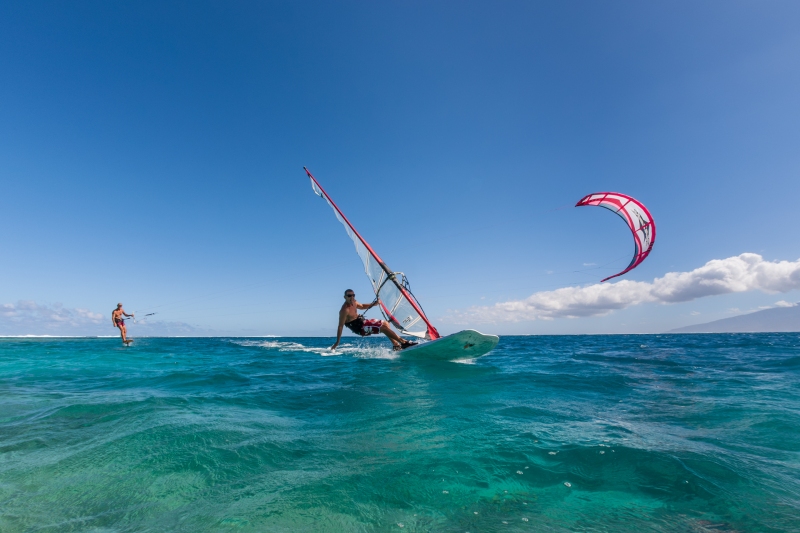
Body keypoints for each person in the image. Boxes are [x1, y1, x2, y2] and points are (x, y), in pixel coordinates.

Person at [331, 289, 418, 351]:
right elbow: (340, 326)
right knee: (383, 328)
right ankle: (404, 342)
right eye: (349, 296)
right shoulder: (344, 310)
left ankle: (396, 345)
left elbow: (362, 306)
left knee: (385, 323)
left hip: (363, 322)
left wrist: (374, 304)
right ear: (345, 297)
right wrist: (337, 342)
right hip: (359, 329)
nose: (352, 297)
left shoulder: (354, 302)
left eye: (353, 295)